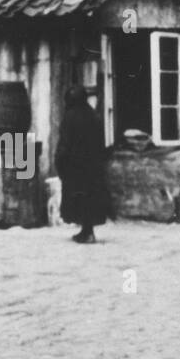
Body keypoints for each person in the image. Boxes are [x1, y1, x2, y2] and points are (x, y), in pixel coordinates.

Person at [55, 86, 111, 243]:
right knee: (90, 199)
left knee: (79, 198)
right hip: (93, 167)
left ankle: (87, 233)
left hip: (75, 166)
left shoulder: (70, 117)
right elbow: (102, 144)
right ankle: (87, 230)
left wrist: (59, 162)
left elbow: (64, 144)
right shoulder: (94, 115)